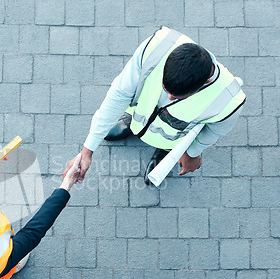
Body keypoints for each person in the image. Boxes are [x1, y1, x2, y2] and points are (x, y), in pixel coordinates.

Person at [63, 26, 246, 185]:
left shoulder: (229, 101)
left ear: (205, 82)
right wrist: (87, 151)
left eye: (175, 97)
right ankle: (132, 125)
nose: (167, 97)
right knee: (135, 116)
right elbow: (118, 96)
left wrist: (190, 153)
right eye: (165, 89)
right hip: (140, 114)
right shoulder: (157, 47)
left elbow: (212, 133)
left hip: (171, 138)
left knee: (169, 146)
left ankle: (165, 153)